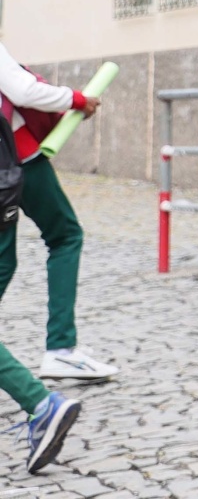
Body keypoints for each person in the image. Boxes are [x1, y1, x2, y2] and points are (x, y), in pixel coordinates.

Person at [0, 45, 92, 474]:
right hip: (13, 166)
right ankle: (53, 364)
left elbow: (20, 88)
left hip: (13, 165)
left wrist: (73, 99)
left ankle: (42, 399)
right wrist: (75, 99)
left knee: (61, 235)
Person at [0, 50, 114, 385]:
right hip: (16, 159)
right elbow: (23, 90)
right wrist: (77, 100)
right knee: (65, 236)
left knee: (5, 258)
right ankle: (61, 349)